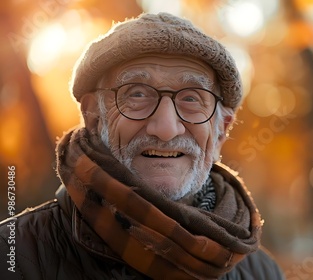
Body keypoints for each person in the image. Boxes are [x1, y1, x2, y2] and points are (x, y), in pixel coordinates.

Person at [0, 12, 284, 280]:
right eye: (136, 94)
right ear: (93, 116)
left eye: (192, 98)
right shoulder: (12, 256)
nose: (165, 128)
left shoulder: (262, 272)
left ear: (221, 129)